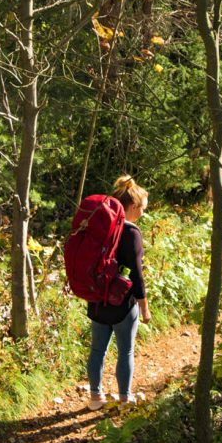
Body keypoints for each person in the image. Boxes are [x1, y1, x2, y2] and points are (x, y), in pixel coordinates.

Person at [86, 175, 151, 410]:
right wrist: (144, 307)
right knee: (126, 350)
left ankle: (95, 397)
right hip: (122, 302)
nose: (143, 213)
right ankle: (124, 397)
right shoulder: (131, 233)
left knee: (97, 349)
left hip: (96, 299)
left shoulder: (101, 226)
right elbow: (136, 273)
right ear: (133, 207)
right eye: (142, 208)